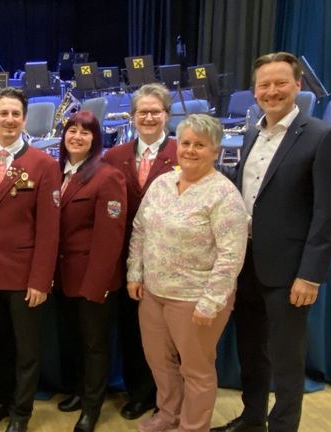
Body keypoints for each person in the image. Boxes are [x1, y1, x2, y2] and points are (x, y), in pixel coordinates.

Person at [212, 52, 331, 432]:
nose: (272, 91)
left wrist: (311, 275)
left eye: (280, 83)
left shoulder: (323, 136)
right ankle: (252, 418)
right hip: (247, 262)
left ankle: (284, 426)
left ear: (297, 86)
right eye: (264, 85)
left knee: (286, 358)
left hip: (289, 270)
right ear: (255, 92)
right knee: (251, 351)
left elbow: (326, 216)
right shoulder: (253, 133)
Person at [127, 114, 249, 432]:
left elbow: (231, 256)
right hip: (153, 293)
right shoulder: (162, 183)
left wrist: (212, 301)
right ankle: (169, 414)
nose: (190, 150)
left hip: (195, 299)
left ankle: (193, 427)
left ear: (216, 151)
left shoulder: (224, 195)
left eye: (200, 145)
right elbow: (139, 230)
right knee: (159, 361)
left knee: (196, 370)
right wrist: (134, 273)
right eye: (185, 143)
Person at [0, 87, 60, 432]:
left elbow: (50, 231)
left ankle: (21, 413)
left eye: (15, 114)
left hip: (24, 277)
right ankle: (3, 403)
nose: (9, 120)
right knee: (0, 346)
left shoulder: (44, 164)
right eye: (3, 113)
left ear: (24, 120)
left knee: (26, 351)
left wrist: (40, 280)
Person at [103, 82, 177, 420]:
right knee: (133, 331)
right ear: (132, 117)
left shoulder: (182, 152)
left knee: (167, 336)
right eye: (142, 112)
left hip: (169, 259)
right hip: (122, 259)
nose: (148, 117)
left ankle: (170, 396)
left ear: (166, 115)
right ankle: (139, 392)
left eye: (155, 111)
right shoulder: (114, 156)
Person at [53, 111, 127, 432]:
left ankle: (92, 407)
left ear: (96, 139)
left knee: (95, 344)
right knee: (72, 339)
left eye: (86, 132)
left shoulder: (107, 176)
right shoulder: (55, 172)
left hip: (93, 278)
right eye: (72, 130)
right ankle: (79, 391)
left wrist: (97, 283)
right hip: (62, 276)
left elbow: (110, 238)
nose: (78, 136)